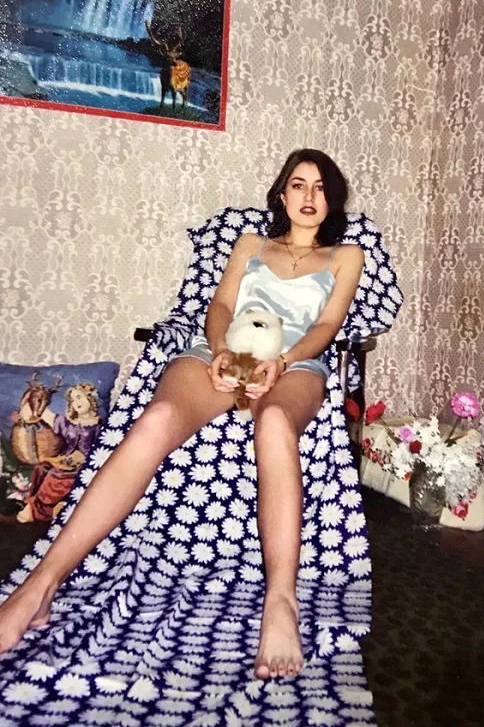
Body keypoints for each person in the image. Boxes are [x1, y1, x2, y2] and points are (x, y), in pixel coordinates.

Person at [0, 149, 364, 682]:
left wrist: (283, 361)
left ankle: (280, 602)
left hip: (295, 363)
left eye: (320, 187)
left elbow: (328, 325)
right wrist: (220, 352)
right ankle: (41, 585)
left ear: (332, 198)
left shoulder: (345, 255)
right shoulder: (251, 244)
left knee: (273, 425)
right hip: (223, 351)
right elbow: (220, 307)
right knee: (157, 419)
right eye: (297, 184)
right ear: (281, 194)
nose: (309, 196)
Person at [16, 383, 102, 523]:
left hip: (83, 465)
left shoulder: (97, 425)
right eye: (72, 400)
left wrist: (82, 459)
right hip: (64, 459)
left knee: (55, 476)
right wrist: (35, 399)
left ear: (90, 399)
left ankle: (39, 511)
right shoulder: (70, 423)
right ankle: (35, 504)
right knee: (41, 468)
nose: (76, 402)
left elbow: (101, 450)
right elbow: (48, 416)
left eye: (79, 397)